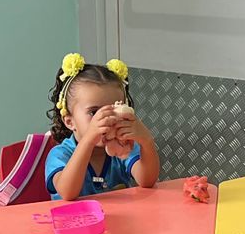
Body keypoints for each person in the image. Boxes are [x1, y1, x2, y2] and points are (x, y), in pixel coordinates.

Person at [44, 54, 160, 201]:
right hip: (74, 216)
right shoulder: (60, 154)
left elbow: (147, 181)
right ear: (69, 121)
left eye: (114, 109)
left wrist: (147, 141)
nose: (106, 119)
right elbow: (67, 193)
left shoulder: (122, 149)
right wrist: (88, 141)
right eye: (94, 112)